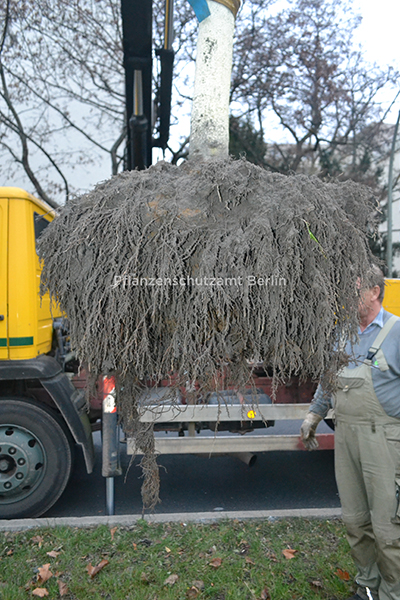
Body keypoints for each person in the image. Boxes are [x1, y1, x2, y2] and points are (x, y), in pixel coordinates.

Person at [300, 266, 400, 600]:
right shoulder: (341, 334)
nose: (347, 297)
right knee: (355, 521)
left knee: (388, 527)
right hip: (347, 438)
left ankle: (393, 592)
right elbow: (328, 382)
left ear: (375, 291)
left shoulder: (396, 332)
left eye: (354, 289)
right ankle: (367, 587)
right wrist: (314, 414)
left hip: (385, 441)